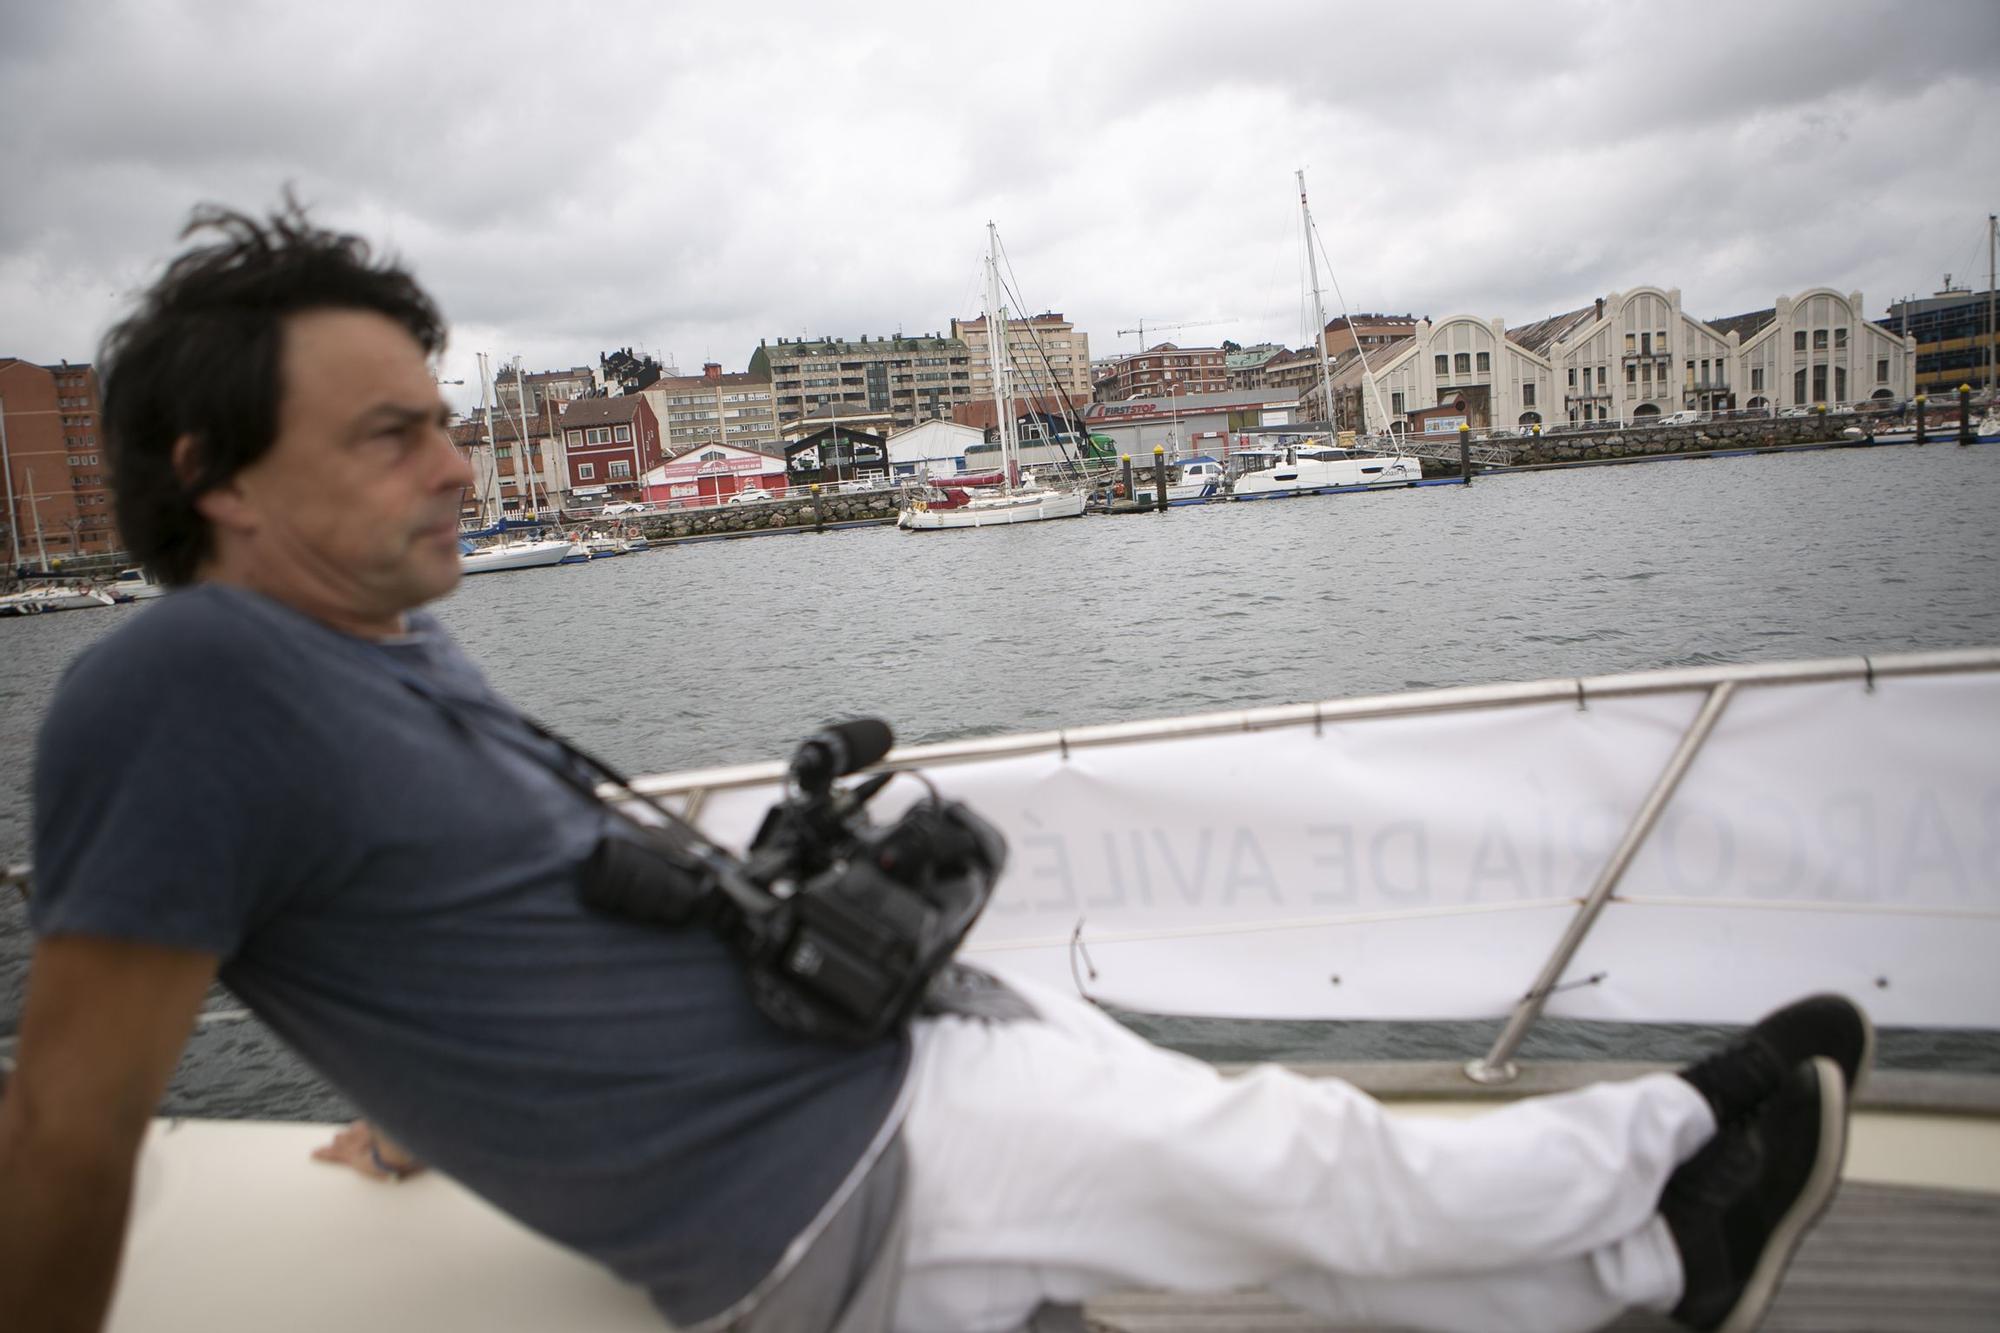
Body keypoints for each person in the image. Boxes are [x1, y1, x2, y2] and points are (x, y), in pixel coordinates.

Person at [0, 202, 1868, 1333]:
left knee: (1272, 1172)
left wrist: (426, 1089)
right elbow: (76, 1118)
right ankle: (1688, 1135)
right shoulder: (183, 685)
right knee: (1296, 1158)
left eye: (442, 423)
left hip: (864, 1041)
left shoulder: (374, 645)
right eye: (396, 433)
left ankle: (1637, 1279)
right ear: (213, 476)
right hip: (819, 1159)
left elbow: (439, 909)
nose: (458, 466)